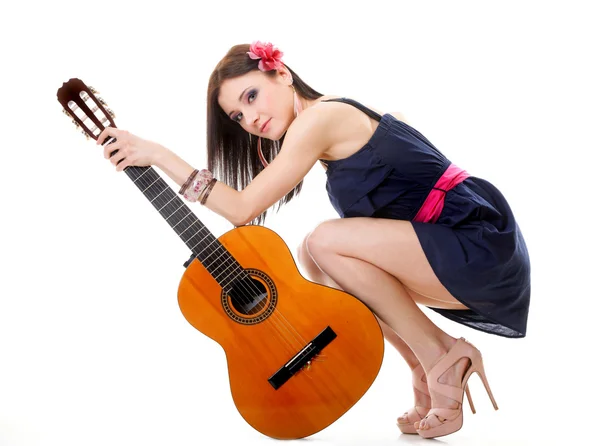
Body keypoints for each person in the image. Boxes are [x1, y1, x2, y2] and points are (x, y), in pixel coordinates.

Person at [96, 41, 530, 439]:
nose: (251, 120)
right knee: (313, 256)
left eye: (251, 97)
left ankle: (441, 356)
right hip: (456, 248)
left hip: (478, 246)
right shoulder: (324, 128)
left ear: (281, 73)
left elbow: (242, 209)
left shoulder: (321, 118)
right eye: (239, 118)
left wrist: (157, 154)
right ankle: (421, 364)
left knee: (323, 241)